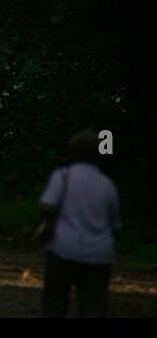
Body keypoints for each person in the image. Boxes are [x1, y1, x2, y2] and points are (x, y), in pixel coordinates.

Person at [40, 128, 120, 317]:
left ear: (73, 151)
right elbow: (114, 224)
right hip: (100, 253)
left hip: (63, 248)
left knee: (55, 301)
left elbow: (47, 206)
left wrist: (52, 221)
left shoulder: (63, 176)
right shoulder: (107, 184)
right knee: (93, 304)